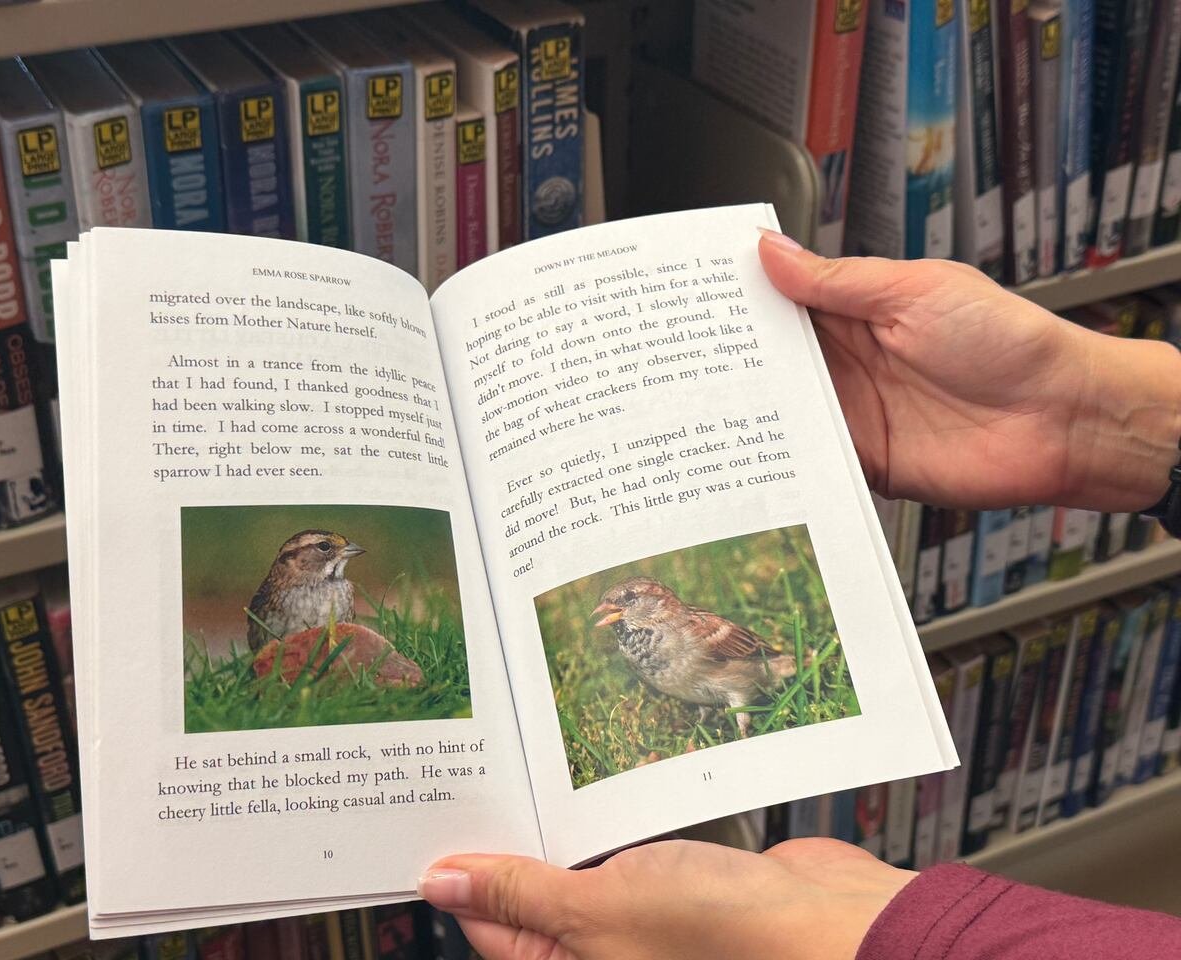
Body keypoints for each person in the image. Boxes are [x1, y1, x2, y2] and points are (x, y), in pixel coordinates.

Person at [415, 231, 1181, 960]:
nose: (616, 615)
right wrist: (1094, 411)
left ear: (658, 603)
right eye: (615, 606)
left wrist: (839, 939)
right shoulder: (634, 639)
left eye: (628, 603)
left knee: (738, 710)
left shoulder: (704, 631)